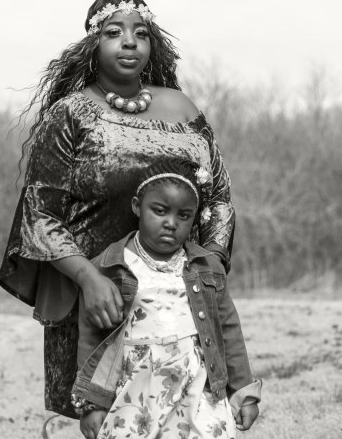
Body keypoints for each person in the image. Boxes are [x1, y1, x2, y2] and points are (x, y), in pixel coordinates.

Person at [0, 0, 236, 419]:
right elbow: (40, 215)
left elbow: (218, 197)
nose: (129, 42)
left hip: (180, 300)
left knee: (186, 414)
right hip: (97, 303)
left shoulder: (184, 110)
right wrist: (89, 279)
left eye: (140, 33)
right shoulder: (70, 115)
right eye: (114, 32)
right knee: (107, 418)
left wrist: (212, 262)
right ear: (94, 43)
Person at [72, 158, 261, 439]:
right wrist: (92, 404)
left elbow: (228, 328)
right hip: (134, 386)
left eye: (184, 216)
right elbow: (92, 335)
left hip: (196, 383)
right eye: (159, 211)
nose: (171, 223)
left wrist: (244, 391)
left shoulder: (206, 266)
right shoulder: (110, 266)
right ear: (138, 206)